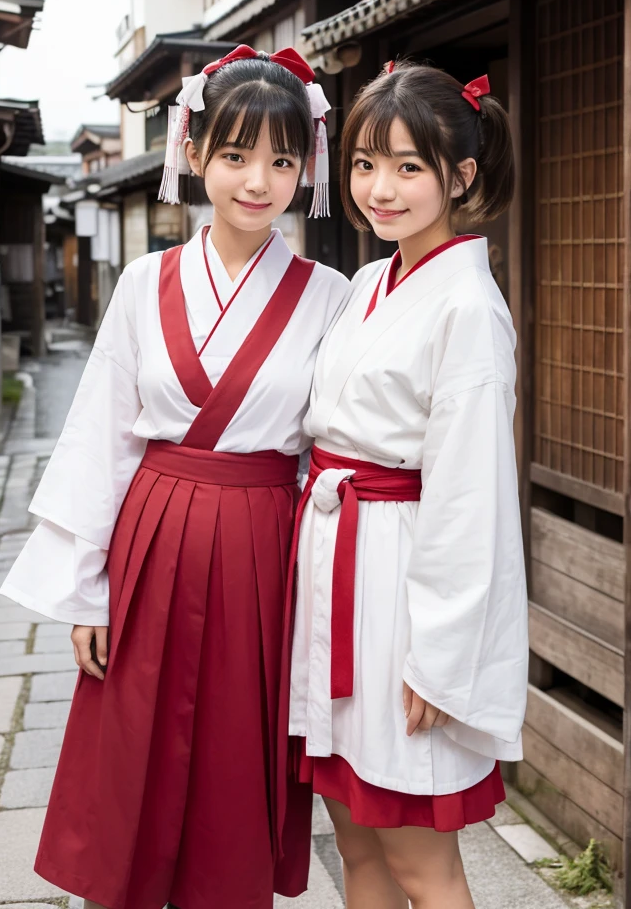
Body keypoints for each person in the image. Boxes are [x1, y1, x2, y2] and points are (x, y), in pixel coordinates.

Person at [0, 45, 349, 909]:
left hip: (265, 543)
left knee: (236, 750)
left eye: (281, 159)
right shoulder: (142, 282)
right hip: (150, 539)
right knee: (131, 753)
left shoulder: (330, 294)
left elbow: (340, 443)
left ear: (307, 166)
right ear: (192, 153)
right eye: (234, 156)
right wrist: (87, 592)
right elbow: (100, 439)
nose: (257, 180)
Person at [285, 60, 529, 909]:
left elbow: (471, 499)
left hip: (401, 592)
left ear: (460, 175)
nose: (380, 189)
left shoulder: (468, 307)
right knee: (356, 845)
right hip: (339, 573)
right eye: (363, 163)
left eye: (408, 167)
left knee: (424, 865)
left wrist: (440, 656)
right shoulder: (366, 284)